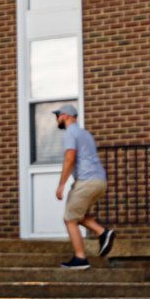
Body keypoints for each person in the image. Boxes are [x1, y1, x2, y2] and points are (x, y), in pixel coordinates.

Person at [54, 104, 114, 269]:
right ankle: (103, 233)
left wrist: (60, 185)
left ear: (65, 115)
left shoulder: (69, 133)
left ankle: (80, 258)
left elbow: (69, 158)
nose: (57, 119)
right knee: (77, 215)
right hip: (99, 181)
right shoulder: (85, 133)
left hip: (86, 181)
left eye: (58, 115)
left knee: (69, 218)